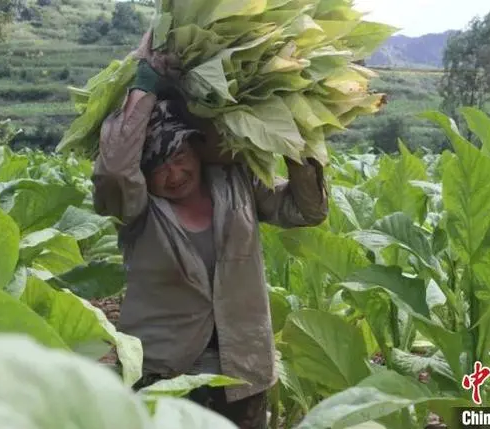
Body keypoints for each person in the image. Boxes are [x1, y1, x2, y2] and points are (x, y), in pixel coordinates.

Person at [91, 30, 328, 429]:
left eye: (181, 155)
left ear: (197, 150)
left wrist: (295, 135)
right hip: (166, 374)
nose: (175, 173)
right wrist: (145, 84)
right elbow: (114, 169)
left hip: (243, 373)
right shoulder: (138, 210)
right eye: (158, 167)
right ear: (143, 176)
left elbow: (306, 210)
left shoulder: (236, 184)